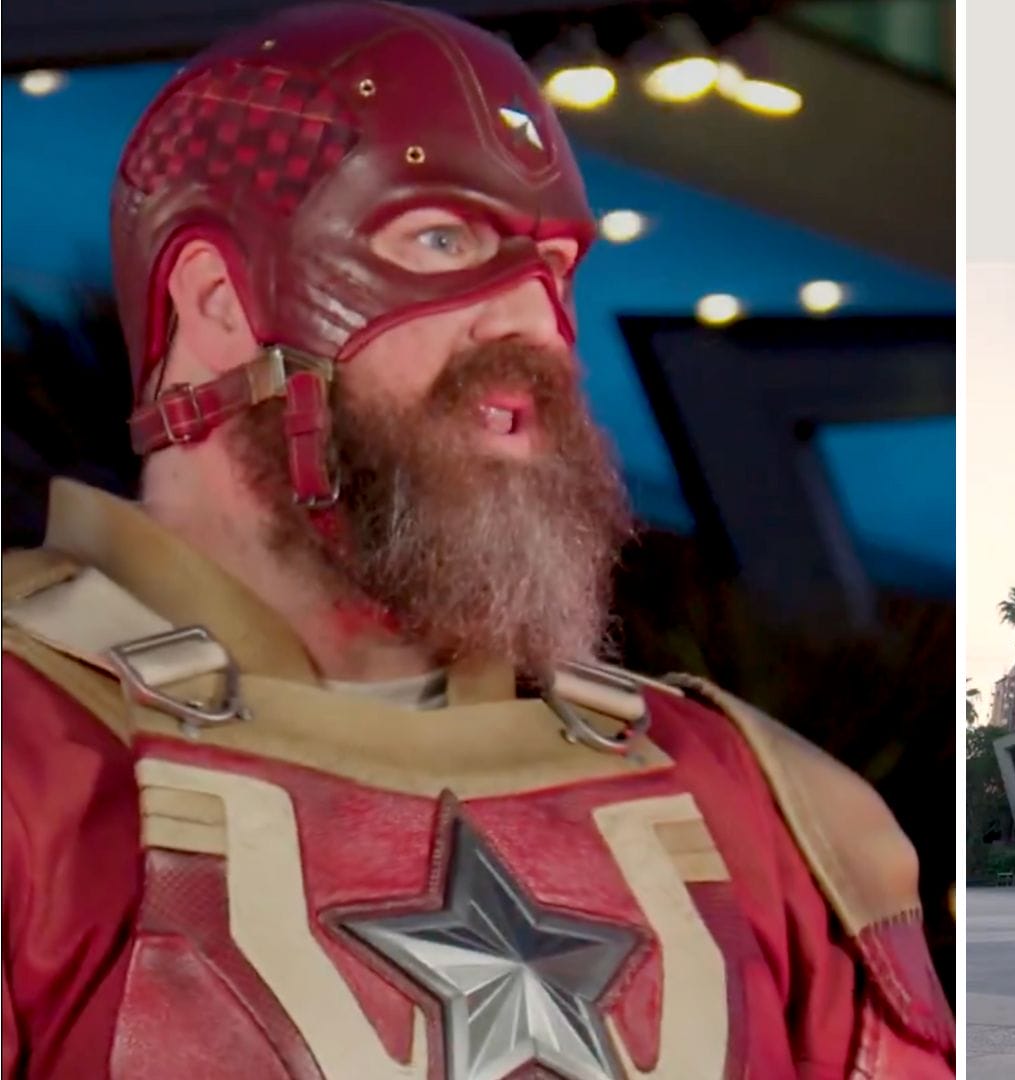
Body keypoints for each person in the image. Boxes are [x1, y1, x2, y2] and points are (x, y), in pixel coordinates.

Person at [0, 3, 954, 1076]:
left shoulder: (763, 808)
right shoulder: (28, 762)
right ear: (217, 300)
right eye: (440, 241)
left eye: (552, 269)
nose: (536, 326)